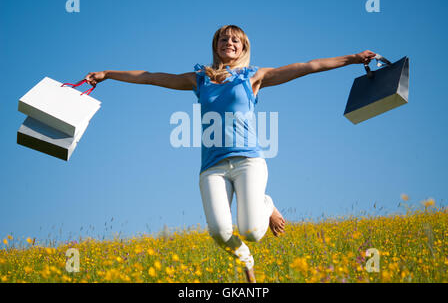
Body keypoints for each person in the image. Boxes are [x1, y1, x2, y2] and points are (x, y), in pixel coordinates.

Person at [83, 24, 376, 283]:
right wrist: (108, 74)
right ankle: (246, 262)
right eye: (223, 39)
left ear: (244, 47)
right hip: (212, 166)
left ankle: (266, 202)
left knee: (250, 230)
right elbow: (150, 77)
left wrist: (352, 58)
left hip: (249, 161)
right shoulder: (200, 78)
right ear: (216, 47)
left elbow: (308, 66)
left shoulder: (254, 77)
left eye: (235, 40)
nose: (229, 43)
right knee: (220, 233)